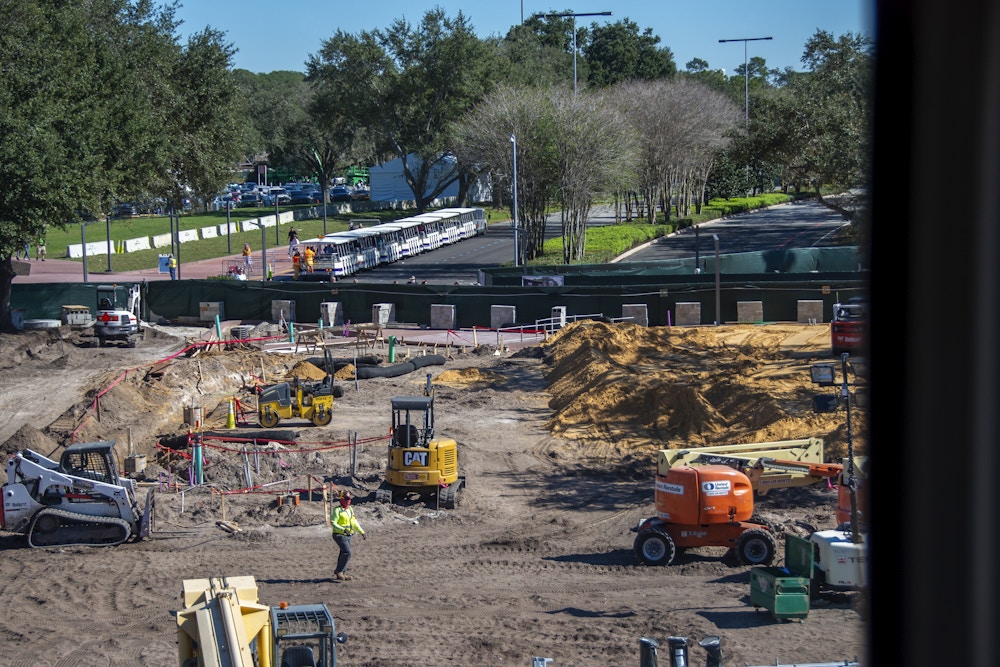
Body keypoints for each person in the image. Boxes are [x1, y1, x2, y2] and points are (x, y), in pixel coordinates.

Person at [330, 490, 365, 581]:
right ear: (341, 499)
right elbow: (333, 523)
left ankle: (342, 573)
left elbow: (354, 522)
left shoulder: (350, 509)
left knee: (343, 553)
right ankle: (339, 571)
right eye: (346, 499)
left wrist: (361, 532)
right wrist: (343, 530)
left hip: (349, 535)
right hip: (339, 535)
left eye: (349, 499)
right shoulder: (337, 510)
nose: (348, 501)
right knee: (347, 552)